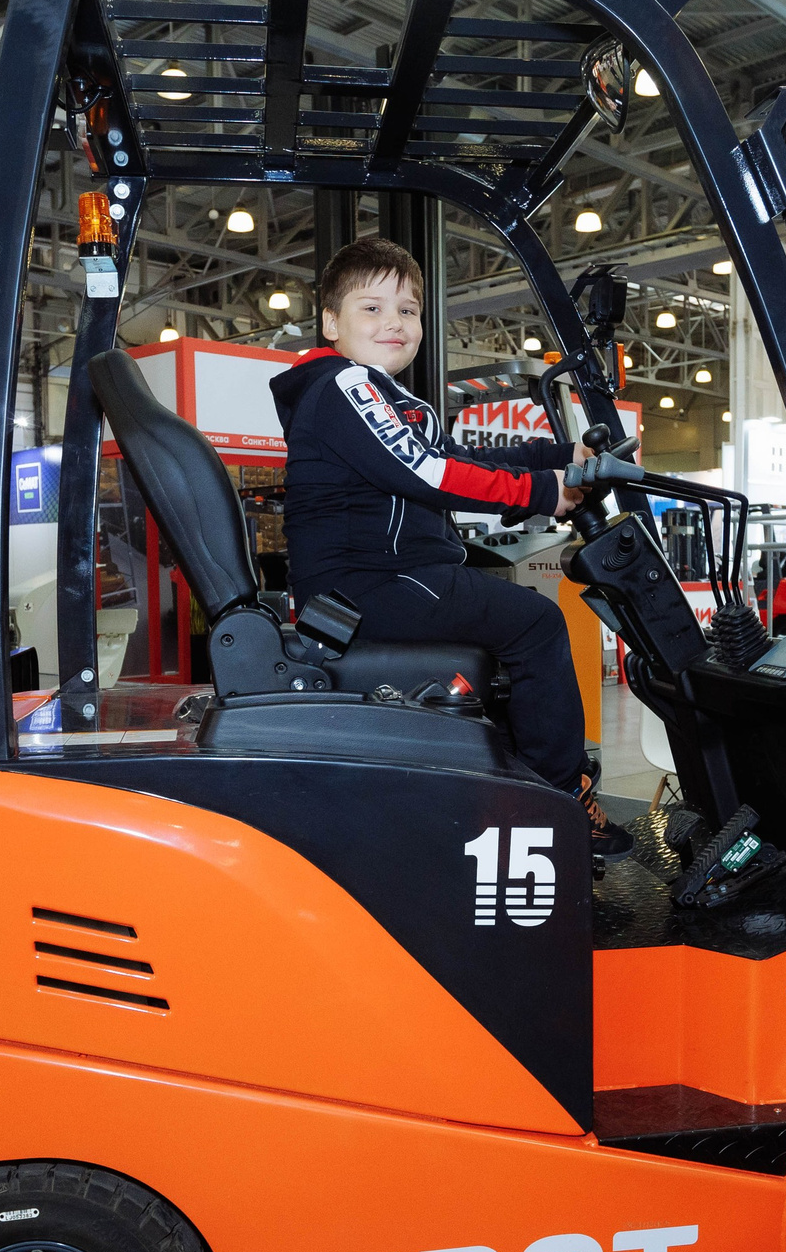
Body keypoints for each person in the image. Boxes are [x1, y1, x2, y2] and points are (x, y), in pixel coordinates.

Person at [269, 236, 635, 855]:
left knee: (509, 618)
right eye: (372, 308)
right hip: (369, 585)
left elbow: (454, 457)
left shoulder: (376, 394)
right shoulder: (345, 386)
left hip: (380, 578)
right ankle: (558, 796)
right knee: (538, 623)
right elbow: (427, 474)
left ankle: (510, 776)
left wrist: (560, 454)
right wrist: (543, 492)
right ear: (331, 322)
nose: (395, 322)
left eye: (408, 310)